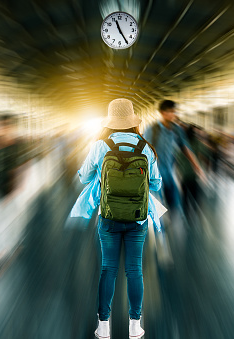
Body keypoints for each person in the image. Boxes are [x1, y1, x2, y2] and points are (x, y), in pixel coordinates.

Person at [70, 98, 162, 339]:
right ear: (132, 121)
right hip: (138, 218)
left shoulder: (100, 146)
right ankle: (135, 325)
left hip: (108, 217)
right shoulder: (146, 148)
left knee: (108, 269)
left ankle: (103, 326)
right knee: (134, 270)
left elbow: (83, 177)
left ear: (111, 121)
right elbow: (156, 182)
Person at [144, 100, 205, 224]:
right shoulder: (152, 129)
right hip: (154, 172)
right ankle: (158, 223)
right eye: (171, 111)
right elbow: (144, 150)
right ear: (162, 113)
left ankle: (168, 218)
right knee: (157, 198)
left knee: (174, 198)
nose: (174, 114)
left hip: (169, 170)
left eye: (174, 111)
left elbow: (185, 148)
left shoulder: (177, 129)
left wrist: (196, 166)